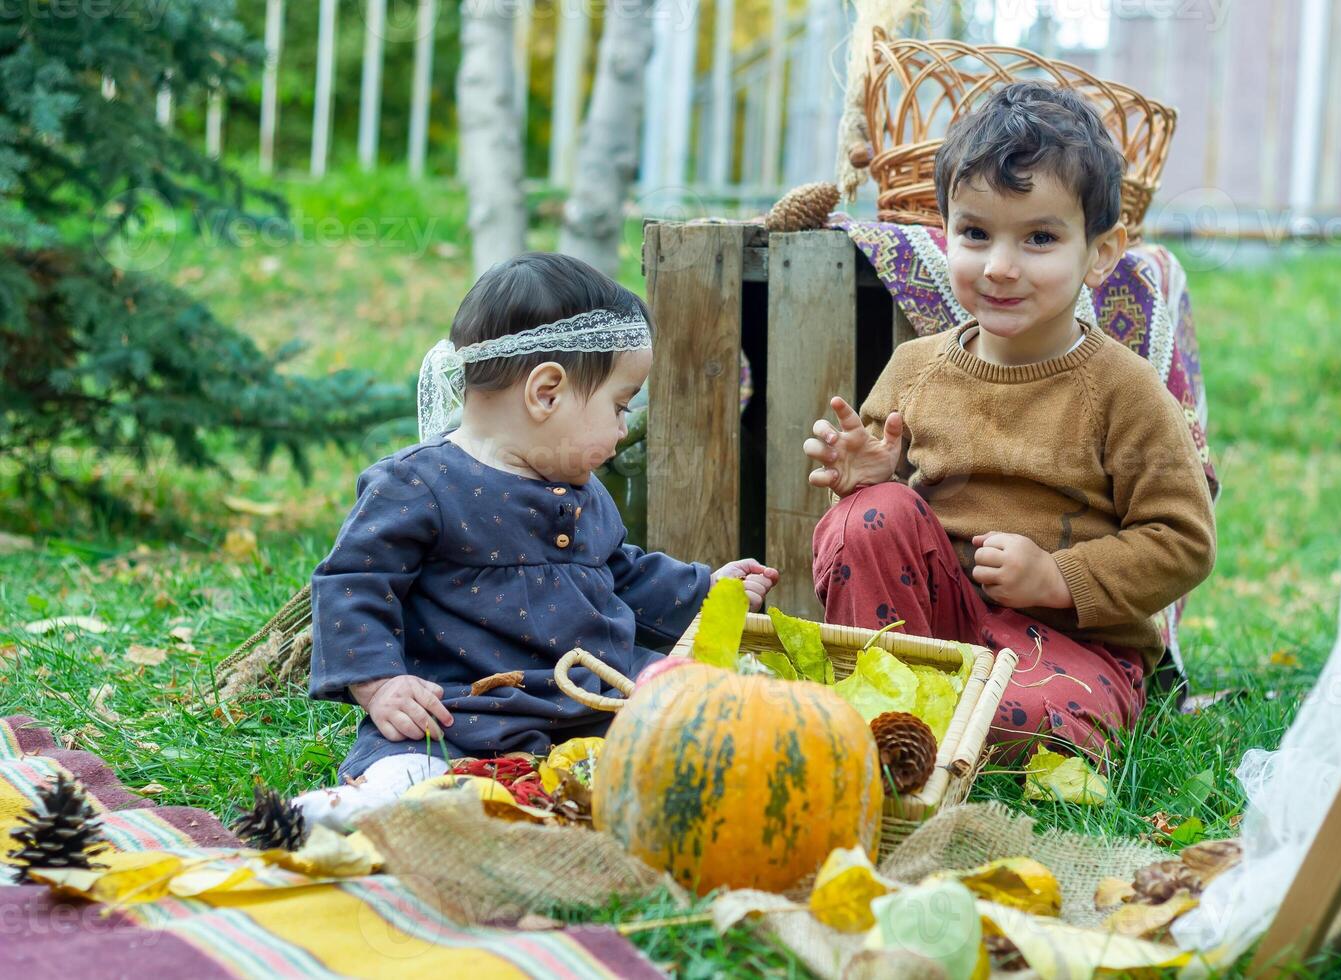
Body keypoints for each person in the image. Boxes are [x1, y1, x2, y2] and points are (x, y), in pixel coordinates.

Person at [804, 82, 1216, 762]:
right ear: (945, 233)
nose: (1000, 267)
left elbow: (1183, 540)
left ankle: (955, 728)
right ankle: (883, 701)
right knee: (868, 518)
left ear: (1102, 253)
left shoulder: (1124, 391)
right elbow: (886, 532)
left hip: (1069, 648)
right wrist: (875, 480)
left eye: (1040, 238)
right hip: (935, 630)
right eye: (975, 233)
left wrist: (1059, 579)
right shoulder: (916, 369)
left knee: (1029, 723)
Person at [297, 252, 778, 828]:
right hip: (463, 715)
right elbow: (353, 581)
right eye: (619, 406)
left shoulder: (582, 492)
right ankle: (358, 810)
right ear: (547, 392)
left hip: (589, 709)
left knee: (674, 739)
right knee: (417, 773)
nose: (624, 428)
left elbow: (619, 576)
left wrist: (707, 590)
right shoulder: (421, 483)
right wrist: (378, 684)